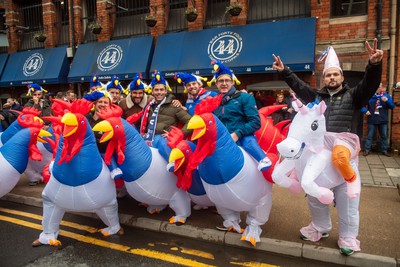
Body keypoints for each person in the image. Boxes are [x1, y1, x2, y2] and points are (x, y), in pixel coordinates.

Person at [272, 39, 383, 255]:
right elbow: (299, 86)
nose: (332, 78)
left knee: (348, 204)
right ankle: (320, 227)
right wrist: (285, 71)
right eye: (328, 75)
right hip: (319, 159)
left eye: (336, 74)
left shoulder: (354, 96)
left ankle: (348, 237)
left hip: (343, 159)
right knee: (314, 198)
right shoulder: (317, 97)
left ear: (342, 77)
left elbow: (369, 84)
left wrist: (374, 65)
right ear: (324, 79)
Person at [209, 60, 272, 172]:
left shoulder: (245, 97)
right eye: (220, 81)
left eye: (227, 80)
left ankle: (263, 159)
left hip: (243, 138)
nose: (224, 83)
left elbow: (255, 122)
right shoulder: (214, 102)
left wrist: (238, 134)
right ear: (217, 84)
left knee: (248, 141)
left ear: (232, 82)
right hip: (223, 141)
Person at [139, 71, 192, 169]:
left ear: (166, 91)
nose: (159, 92)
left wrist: (179, 134)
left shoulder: (174, 105)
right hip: (149, 138)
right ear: (152, 91)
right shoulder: (149, 106)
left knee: (161, 142)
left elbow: (190, 121)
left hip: (164, 139)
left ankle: (174, 162)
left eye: (161, 90)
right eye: (156, 90)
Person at [362, 83, 395, 157]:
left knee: (384, 136)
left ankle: (384, 150)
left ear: (382, 87)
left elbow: (392, 106)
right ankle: (367, 150)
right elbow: (361, 104)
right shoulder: (370, 96)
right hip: (372, 119)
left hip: (383, 120)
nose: (378, 88)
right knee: (369, 136)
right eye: (376, 87)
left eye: (379, 87)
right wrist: (365, 111)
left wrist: (387, 101)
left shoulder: (385, 96)